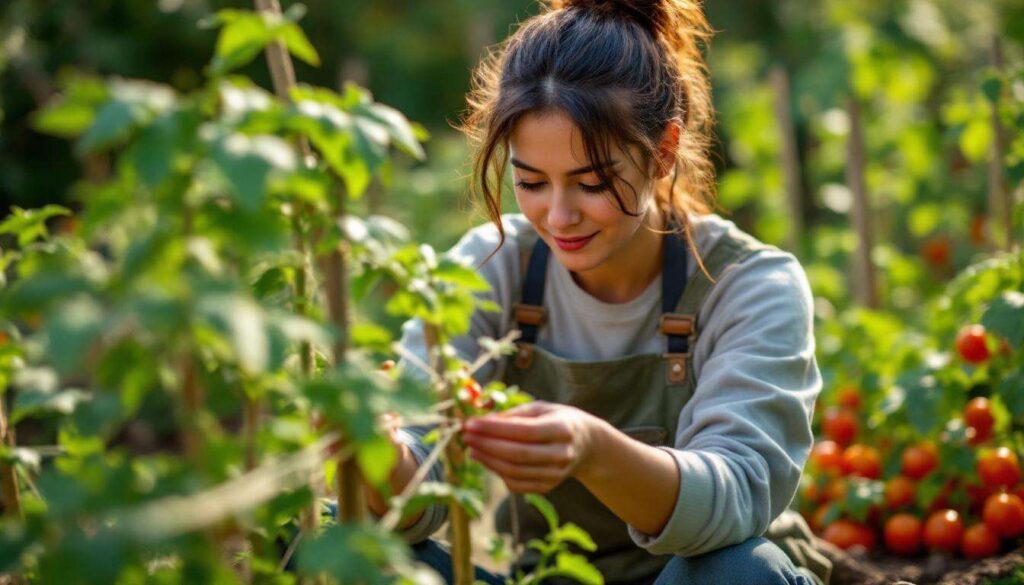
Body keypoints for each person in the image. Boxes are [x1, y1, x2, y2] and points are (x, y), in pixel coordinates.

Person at [363, 1, 823, 583]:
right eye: (530, 181)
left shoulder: (747, 287)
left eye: (592, 183)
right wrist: (378, 454)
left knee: (742, 571)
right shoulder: (493, 268)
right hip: (546, 575)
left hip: (692, 575)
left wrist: (594, 451)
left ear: (662, 151)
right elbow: (417, 497)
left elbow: (736, 495)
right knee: (337, 535)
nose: (558, 216)